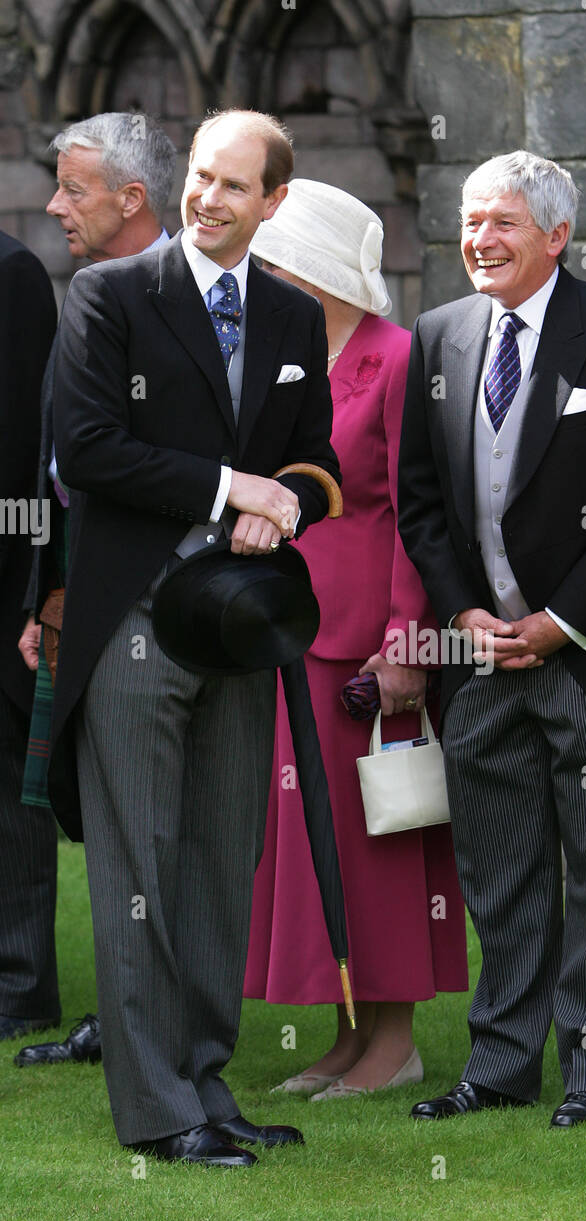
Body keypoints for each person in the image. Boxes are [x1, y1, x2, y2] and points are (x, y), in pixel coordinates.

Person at [48, 109, 340, 1167]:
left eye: (232, 185)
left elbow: (314, 459)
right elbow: (87, 448)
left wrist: (286, 506)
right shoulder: (108, 295)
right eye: (200, 179)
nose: (207, 199)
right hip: (132, 622)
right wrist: (230, 486)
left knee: (221, 860)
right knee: (137, 866)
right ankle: (158, 1111)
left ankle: (207, 1082)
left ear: (272, 203)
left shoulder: (295, 319)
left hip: (237, 624)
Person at [397, 150, 586, 1126]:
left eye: (502, 221)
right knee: (499, 878)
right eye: (472, 220)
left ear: (556, 234)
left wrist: (560, 623)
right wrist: (466, 612)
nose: (480, 238)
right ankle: (502, 1065)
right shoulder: (436, 336)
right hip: (480, 667)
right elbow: (421, 504)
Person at [244, 181, 467, 1098]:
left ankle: (395, 1043)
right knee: (315, 842)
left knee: (382, 838)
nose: (257, 276)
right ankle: (345, 1030)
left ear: (313, 263)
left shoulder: (398, 357)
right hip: (288, 630)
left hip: (373, 642)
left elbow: (423, 511)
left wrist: (409, 642)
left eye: (271, 259)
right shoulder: (288, 356)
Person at [15, 111, 177, 1069]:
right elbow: (56, 471)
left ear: (131, 198)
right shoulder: (88, 294)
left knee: (157, 835)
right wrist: (49, 595)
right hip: (85, 601)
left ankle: (158, 1037)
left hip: (159, 617)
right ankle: (125, 1018)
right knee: (108, 828)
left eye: (73, 188)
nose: (52, 204)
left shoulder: (183, 305)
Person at [0, 231, 57, 1043]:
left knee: (10, 794)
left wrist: (28, 593)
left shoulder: (10, 274)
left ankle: (20, 988)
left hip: (3, 579)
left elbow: (24, 449)